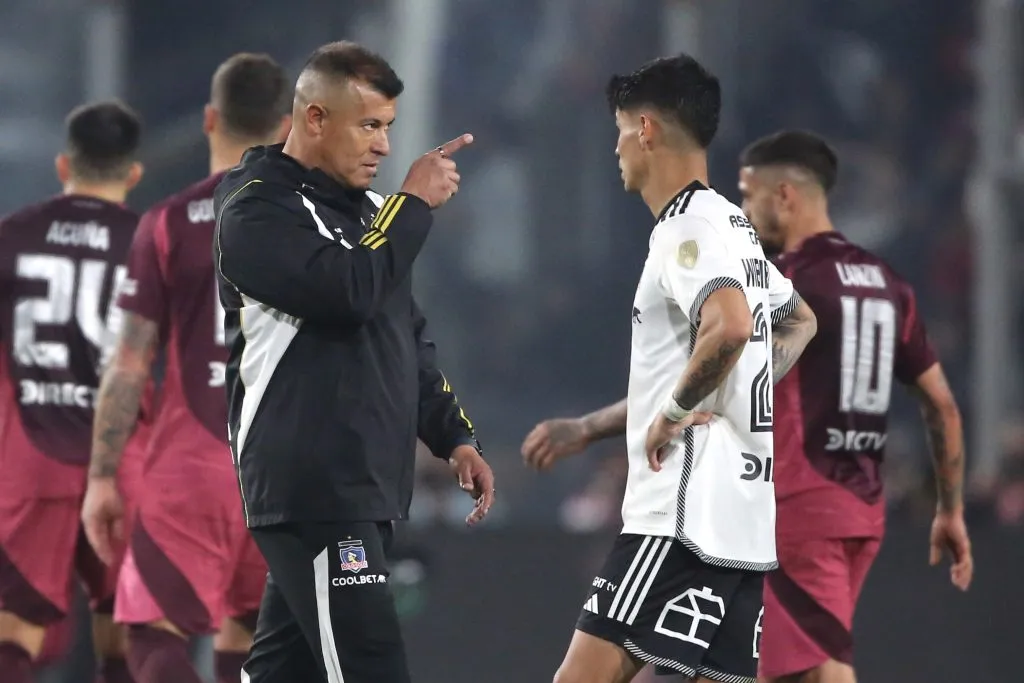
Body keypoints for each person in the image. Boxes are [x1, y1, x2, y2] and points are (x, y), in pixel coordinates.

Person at [521, 54, 817, 683]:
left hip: (679, 515)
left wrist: (677, 415)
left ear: (646, 129)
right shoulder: (735, 227)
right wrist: (592, 427)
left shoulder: (688, 227)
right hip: (741, 520)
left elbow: (731, 325)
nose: (618, 150)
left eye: (620, 131)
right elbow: (797, 323)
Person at [213, 41, 496, 683]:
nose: (384, 147)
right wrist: (413, 205)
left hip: (361, 482)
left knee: (285, 671)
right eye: (369, 125)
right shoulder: (255, 207)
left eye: (389, 128)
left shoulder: (367, 215)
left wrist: (453, 435)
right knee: (370, 667)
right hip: (311, 483)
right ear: (315, 118)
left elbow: (406, 334)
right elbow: (347, 291)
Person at [81, 53, 292, 683]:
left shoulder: (169, 223)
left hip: (191, 466)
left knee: (150, 634)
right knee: (254, 636)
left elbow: (127, 363)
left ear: (208, 119)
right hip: (285, 468)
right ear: (286, 127)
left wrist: (101, 479)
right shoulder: (317, 221)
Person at [735, 130, 973, 683]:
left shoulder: (787, 284)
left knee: (821, 670)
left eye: (750, 196)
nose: (745, 212)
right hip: (861, 507)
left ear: (786, 195)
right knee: (783, 668)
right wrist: (951, 510)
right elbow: (942, 405)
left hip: (800, 506)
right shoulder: (888, 283)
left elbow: (732, 380)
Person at [0, 101, 144, 683]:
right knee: (129, 634)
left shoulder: (11, 237)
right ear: (133, 173)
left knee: (14, 634)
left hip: (29, 460)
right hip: (125, 460)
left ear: (65, 164)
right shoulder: (151, 243)